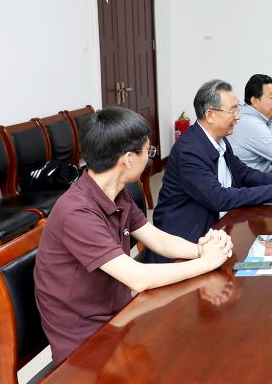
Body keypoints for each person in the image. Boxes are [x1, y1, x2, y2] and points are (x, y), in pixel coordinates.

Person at [34, 107, 235, 362]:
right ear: (128, 159)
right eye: (148, 152)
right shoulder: (77, 212)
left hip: (121, 316)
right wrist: (206, 262)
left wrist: (202, 249)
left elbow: (157, 239)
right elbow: (137, 279)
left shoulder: (117, 193)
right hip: (87, 340)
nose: (149, 159)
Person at [151, 80, 272, 253]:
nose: (238, 117)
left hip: (217, 231)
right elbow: (219, 198)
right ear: (210, 115)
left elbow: (243, 172)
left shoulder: (220, 139)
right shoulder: (189, 151)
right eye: (233, 110)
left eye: (237, 108)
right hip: (185, 242)